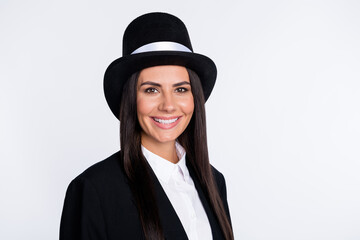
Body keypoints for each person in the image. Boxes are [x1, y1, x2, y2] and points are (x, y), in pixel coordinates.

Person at [60, 12, 233, 240]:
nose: (169, 105)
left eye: (180, 89)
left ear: (195, 98)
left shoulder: (213, 181)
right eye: (152, 89)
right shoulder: (93, 190)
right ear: (131, 98)